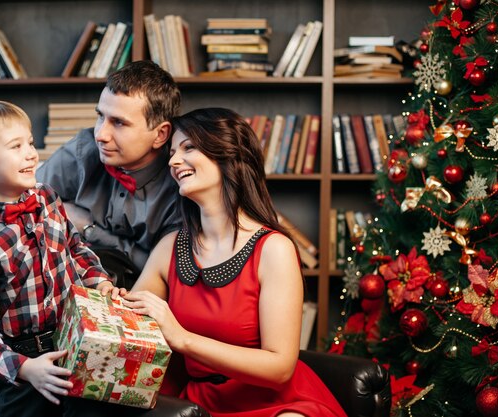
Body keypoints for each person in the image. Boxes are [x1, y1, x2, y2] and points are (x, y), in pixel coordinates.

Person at [115, 108, 347, 416]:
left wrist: (182, 338)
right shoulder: (169, 248)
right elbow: (129, 325)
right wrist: (112, 302)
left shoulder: (274, 249)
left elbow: (280, 368)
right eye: (172, 152)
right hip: (202, 404)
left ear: (227, 155)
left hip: (278, 402)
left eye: (188, 148)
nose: (172, 161)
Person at [0, 99, 115, 417]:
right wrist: (25, 369)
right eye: (16, 146)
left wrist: (99, 280)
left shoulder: (46, 197)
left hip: (75, 336)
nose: (31, 153)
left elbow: (74, 248)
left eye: (31, 143)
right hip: (26, 362)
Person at [36, 60, 182, 289]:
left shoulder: (180, 183)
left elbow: (165, 269)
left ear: (160, 135)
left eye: (119, 123)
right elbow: (29, 205)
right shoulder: (83, 150)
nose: (101, 134)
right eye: (100, 116)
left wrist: (88, 228)